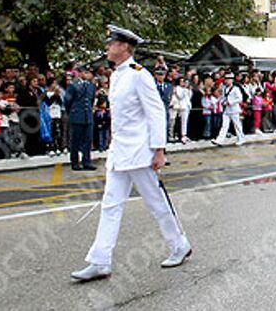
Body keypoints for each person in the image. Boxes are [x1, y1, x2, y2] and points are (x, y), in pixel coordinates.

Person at [71, 25, 191, 282]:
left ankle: (179, 244)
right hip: (120, 152)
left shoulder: (139, 75)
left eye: (111, 43)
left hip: (139, 152)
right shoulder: (116, 76)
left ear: (124, 46)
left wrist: (159, 150)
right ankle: (100, 260)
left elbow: (156, 112)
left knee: (156, 203)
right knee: (110, 205)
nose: (107, 48)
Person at [65, 67, 97, 170]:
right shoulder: (73, 85)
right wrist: (72, 112)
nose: (87, 75)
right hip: (77, 115)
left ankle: (86, 161)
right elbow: (67, 101)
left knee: (88, 140)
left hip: (87, 116)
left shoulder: (91, 86)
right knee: (76, 140)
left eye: (88, 73)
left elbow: (91, 100)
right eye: (85, 72)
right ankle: (75, 162)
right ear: (80, 73)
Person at [214, 73, 245, 146]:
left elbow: (240, 99)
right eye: (226, 79)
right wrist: (220, 101)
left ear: (231, 80)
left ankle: (241, 138)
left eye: (228, 79)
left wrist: (230, 102)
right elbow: (223, 97)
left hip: (234, 109)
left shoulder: (235, 89)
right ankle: (219, 140)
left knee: (237, 125)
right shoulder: (224, 88)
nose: (226, 81)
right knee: (224, 125)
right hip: (227, 110)